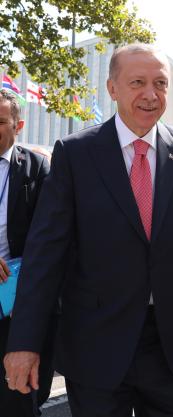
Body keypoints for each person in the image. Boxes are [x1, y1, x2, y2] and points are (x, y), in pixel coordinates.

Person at [3, 43, 173, 417]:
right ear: (112, 88)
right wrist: (24, 342)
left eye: (160, 83)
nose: (150, 94)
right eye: (137, 82)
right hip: (97, 345)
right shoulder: (75, 154)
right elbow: (46, 254)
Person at [0, 89, 52, 416]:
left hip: (14, 308)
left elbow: (48, 238)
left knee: (17, 400)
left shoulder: (36, 168)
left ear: (18, 126)